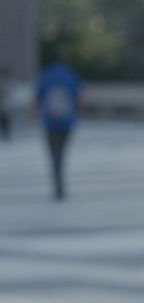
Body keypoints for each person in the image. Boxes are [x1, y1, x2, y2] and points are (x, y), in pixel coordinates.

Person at [32, 50, 83, 200]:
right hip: (67, 121)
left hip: (50, 121)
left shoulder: (45, 75)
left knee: (53, 154)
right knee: (62, 153)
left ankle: (57, 185)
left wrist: (35, 116)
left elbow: (37, 98)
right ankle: (61, 184)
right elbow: (79, 97)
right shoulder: (70, 75)